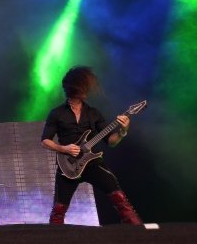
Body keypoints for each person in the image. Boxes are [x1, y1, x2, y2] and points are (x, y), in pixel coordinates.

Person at [41, 66, 142, 225]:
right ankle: (54, 236)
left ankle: (137, 231)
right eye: (84, 86)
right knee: (58, 212)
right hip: (68, 166)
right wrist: (63, 148)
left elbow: (111, 141)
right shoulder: (57, 113)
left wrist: (123, 130)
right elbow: (45, 140)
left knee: (120, 199)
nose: (87, 90)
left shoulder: (93, 113)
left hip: (93, 163)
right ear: (74, 88)